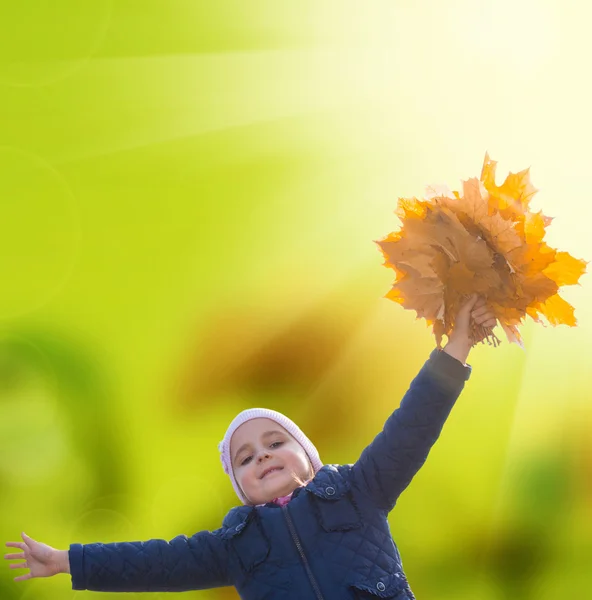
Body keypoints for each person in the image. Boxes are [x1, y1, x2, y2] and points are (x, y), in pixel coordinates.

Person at [5, 295, 496, 599]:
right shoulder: (232, 547)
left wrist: (455, 350)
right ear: (238, 486)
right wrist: (68, 561)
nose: (261, 454)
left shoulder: (361, 491)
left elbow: (413, 425)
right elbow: (152, 562)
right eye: (244, 457)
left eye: (276, 441)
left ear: (310, 457)